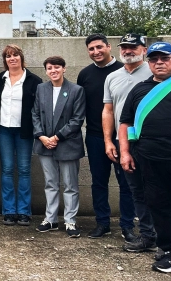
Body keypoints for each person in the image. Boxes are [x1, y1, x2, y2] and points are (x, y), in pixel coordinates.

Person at [119, 42, 171, 273]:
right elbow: (126, 122)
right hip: (151, 160)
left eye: (164, 58)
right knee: (162, 207)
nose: (159, 62)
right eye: (153, 59)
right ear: (148, 63)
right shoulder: (139, 89)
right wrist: (126, 152)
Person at [76, 34, 136, 241]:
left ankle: (128, 225)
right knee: (98, 181)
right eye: (91, 49)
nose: (96, 52)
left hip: (123, 138)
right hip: (94, 136)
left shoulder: (123, 70)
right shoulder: (84, 74)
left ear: (109, 47)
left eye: (99, 47)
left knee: (126, 183)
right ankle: (102, 223)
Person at [103, 34, 157, 253]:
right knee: (136, 190)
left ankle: (165, 236)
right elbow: (107, 110)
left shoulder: (155, 72)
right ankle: (147, 236)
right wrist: (109, 141)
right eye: (124, 47)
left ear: (144, 49)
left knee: (157, 189)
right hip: (124, 140)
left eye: (133, 47)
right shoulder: (112, 77)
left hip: (152, 140)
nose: (127, 51)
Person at [32, 56, 86, 237]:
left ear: (64, 68)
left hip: (67, 143)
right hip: (45, 143)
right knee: (50, 183)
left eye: (57, 67)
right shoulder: (41, 89)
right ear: (46, 71)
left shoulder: (76, 90)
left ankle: (70, 221)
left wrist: (56, 136)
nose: (53, 70)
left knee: (70, 184)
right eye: (49, 68)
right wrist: (42, 136)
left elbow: (77, 119)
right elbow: (35, 114)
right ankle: (51, 219)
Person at [0, 44, 41, 227]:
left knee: (24, 170)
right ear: (5, 60)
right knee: (6, 169)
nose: (12, 58)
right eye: (8, 56)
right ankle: (9, 210)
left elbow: (38, 108)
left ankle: (24, 212)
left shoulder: (34, 80)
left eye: (15, 55)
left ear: (21, 57)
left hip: (24, 131)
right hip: (4, 130)